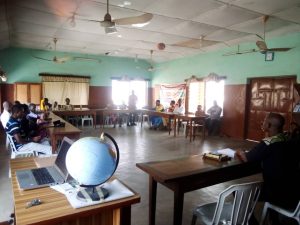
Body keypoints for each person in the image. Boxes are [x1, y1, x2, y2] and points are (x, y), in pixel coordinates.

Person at [236, 113, 300, 224]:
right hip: (294, 191)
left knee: (239, 194)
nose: (262, 122)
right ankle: (274, 220)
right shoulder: (287, 139)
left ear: (269, 125)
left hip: (278, 192)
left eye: (264, 120)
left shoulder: (268, 143)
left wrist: (239, 152)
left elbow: (247, 158)